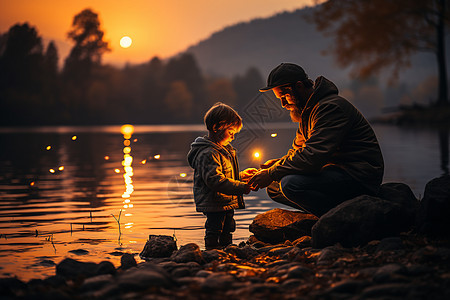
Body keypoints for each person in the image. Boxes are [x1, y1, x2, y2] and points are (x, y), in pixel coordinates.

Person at [248, 63, 384, 217]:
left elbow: (313, 157)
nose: (283, 104)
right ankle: (328, 213)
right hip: (334, 172)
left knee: (290, 184)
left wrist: (272, 173)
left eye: (285, 96)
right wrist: (272, 168)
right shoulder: (307, 114)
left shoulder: (330, 108)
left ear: (299, 86)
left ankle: (342, 216)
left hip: (358, 176)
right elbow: (299, 152)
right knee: (273, 187)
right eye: (280, 99)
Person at [187, 102, 258, 250]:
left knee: (228, 226)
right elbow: (215, 181)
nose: (232, 137)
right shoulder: (208, 153)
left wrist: (241, 177)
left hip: (225, 200)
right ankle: (212, 251)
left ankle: (227, 248)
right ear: (216, 127)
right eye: (231, 132)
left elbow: (224, 175)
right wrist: (241, 187)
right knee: (215, 228)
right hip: (214, 202)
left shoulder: (222, 150)